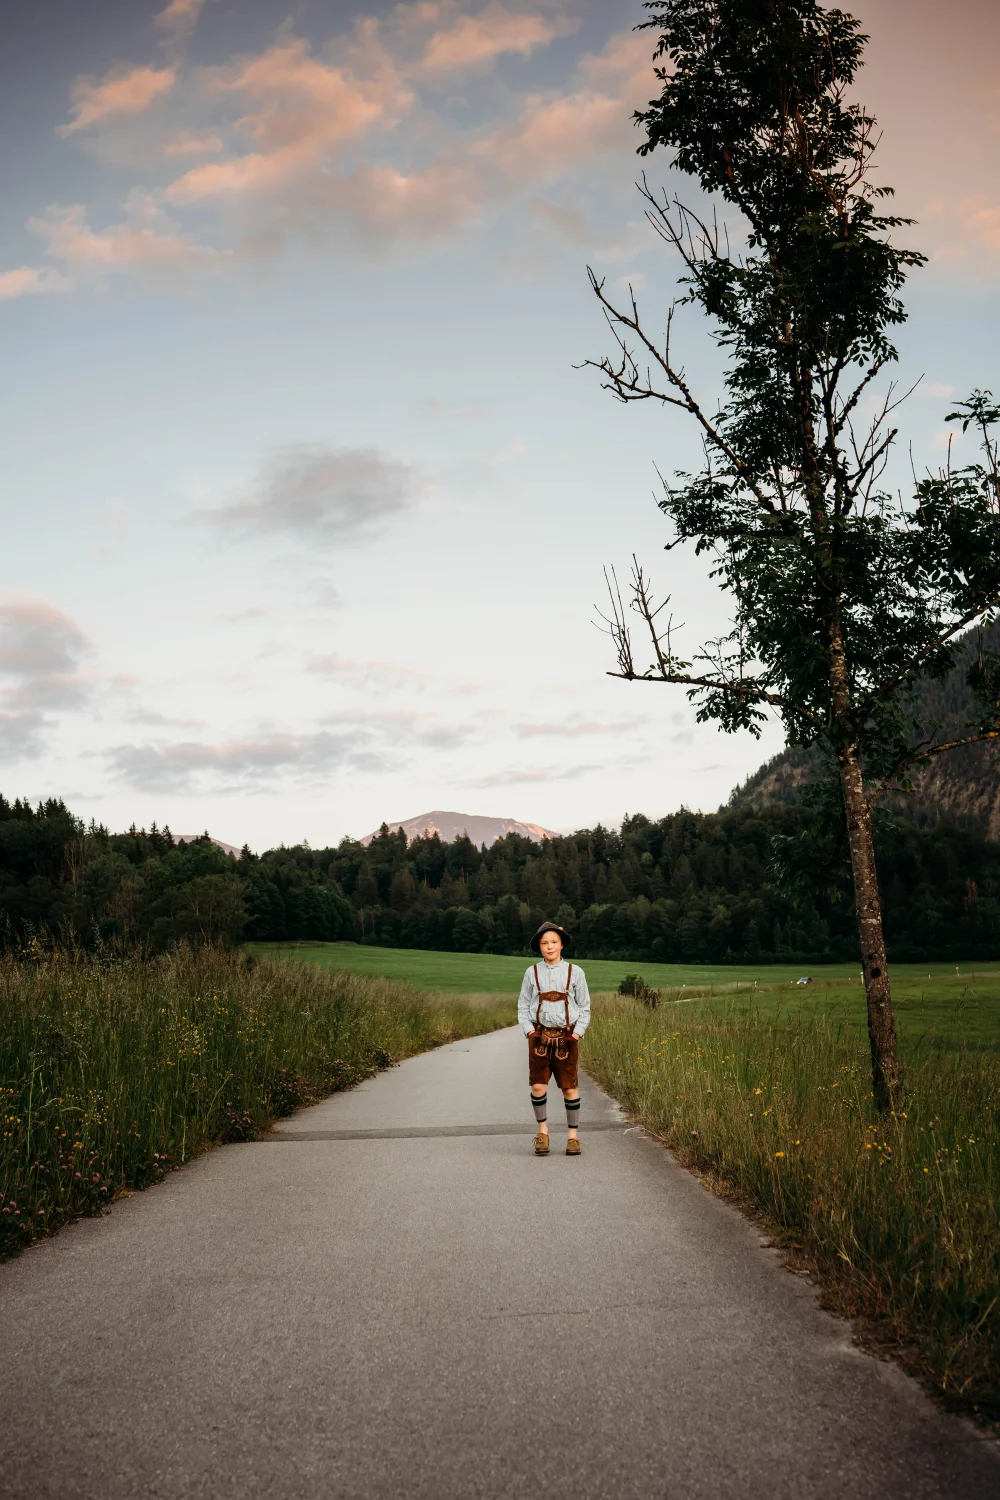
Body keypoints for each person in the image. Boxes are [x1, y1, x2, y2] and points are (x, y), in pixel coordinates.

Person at [518, 920, 591, 1156]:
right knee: (538, 1086)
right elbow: (523, 1005)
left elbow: (585, 1007)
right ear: (539, 947)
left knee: (569, 1088)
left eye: (553, 942)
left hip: (567, 1036)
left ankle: (573, 1137)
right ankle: (543, 1133)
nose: (549, 946)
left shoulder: (575, 972)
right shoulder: (532, 972)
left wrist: (577, 1033)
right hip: (539, 1036)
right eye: (544, 943)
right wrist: (530, 1031)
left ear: (562, 945)